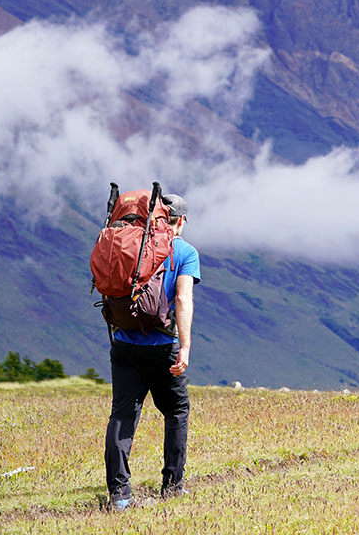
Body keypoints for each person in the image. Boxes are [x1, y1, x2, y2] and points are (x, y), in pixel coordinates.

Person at [104, 192, 200, 510]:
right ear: (181, 221)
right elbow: (183, 299)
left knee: (122, 416)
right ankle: (172, 486)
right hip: (163, 347)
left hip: (124, 344)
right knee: (176, 412)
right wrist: (184, 347)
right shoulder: (185, 251)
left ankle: (119, 495)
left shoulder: (131, 248)